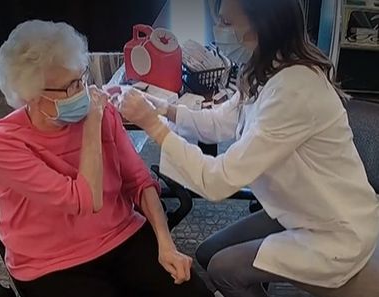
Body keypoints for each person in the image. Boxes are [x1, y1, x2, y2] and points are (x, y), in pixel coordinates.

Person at [119, 0, 379, 296]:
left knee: (223, 270)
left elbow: (218, 181)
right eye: (219, 21)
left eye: (228, 24)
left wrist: (154, 126)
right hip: (299, 208)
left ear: (262, 27)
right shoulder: (265, 68)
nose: (219, 31)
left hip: (334, 231)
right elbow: (221, 121)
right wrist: (166, 109)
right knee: (206, 253)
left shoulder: (295, 90)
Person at [0, 20, 214, 297]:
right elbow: (82, 199)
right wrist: (92, 124)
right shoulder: (0, 143)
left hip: (121, 235)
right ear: (30, 96)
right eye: (69, 87)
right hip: (49, 263)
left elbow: (139, 181)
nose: (82, 91)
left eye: (81, 78)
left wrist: (166, 245)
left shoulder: (102, 113)